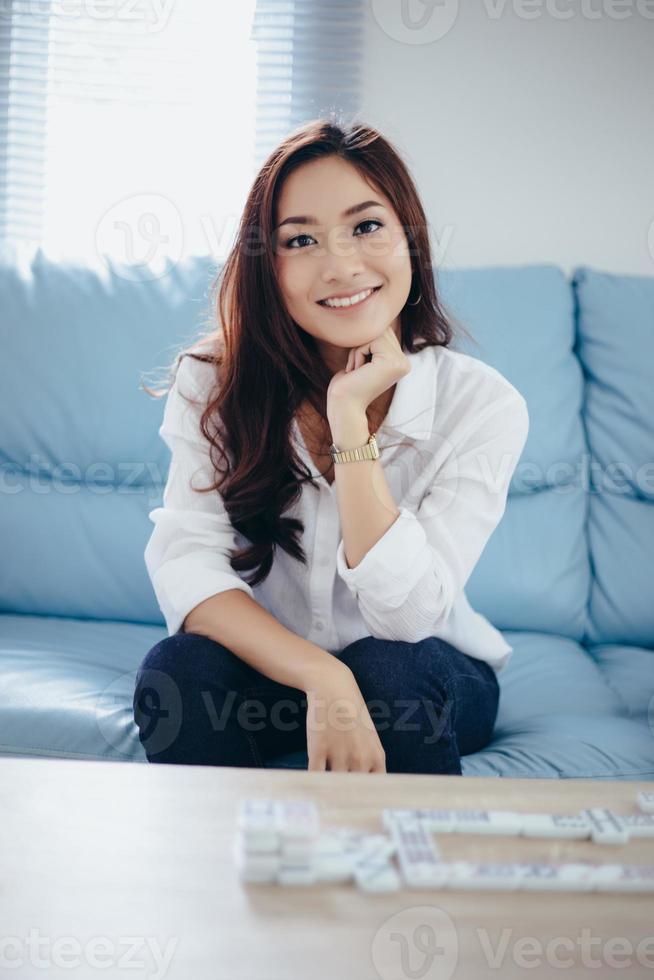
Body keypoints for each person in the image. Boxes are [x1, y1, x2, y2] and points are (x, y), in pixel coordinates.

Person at [133, 116, 529, 774]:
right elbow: (187, 566)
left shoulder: (483, 405)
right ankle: (215, 870)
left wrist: (349, 421)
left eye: (367, 226)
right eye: (301, 240)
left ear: (411, 239)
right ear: (269, 266)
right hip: (275, 669)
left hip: (423, 669)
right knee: (178, 671)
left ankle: (398, 873)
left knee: (387, 675)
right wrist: (323, 678)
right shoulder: (211, 379)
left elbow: (405, 616)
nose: (341, 264)